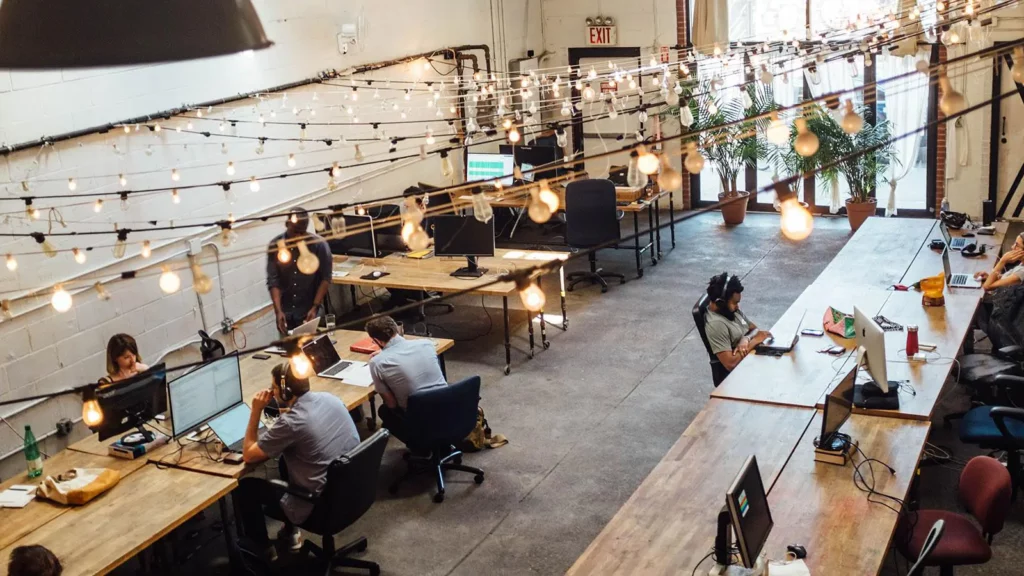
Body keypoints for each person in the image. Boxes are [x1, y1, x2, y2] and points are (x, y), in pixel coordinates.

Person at [238, 363, 359, 559]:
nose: (271, 391)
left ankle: (263, 550)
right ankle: (290, 533)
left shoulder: (291, 423)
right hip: (353, 491)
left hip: (321, 506)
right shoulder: (330, 399)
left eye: (274, 387)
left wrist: (255, 411)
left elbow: (249, 455)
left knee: (245, 488)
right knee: (285, 462)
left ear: (285, 392)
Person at [366, 316, 447, 443]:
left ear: (377, 340)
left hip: (419, 416)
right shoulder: (426, 344)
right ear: (396, 330)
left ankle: (420, 446)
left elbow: (391, 404)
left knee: (385, 411)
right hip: (447, 405)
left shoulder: (377, 362)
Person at [267, 207, 333, 335]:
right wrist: (278, 311)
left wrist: (315, 307)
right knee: (289, 350)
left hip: (309, 309)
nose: (298, 236)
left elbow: (326, 278)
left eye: (302, 232)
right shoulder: (276, 245)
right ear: (287, 225)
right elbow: (273, 281)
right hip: (286, 311)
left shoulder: (318, 245)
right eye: (295, 231)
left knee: (312, 348)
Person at [704, 273, 771, 374]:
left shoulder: (730, 311)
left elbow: (754, 329)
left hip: (752, 358)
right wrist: (754, 341)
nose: (738, 307)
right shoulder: (716, 325)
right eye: (735, 303)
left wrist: (746, 339)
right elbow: (730, 364)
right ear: (720, 303)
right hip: (742, 372)